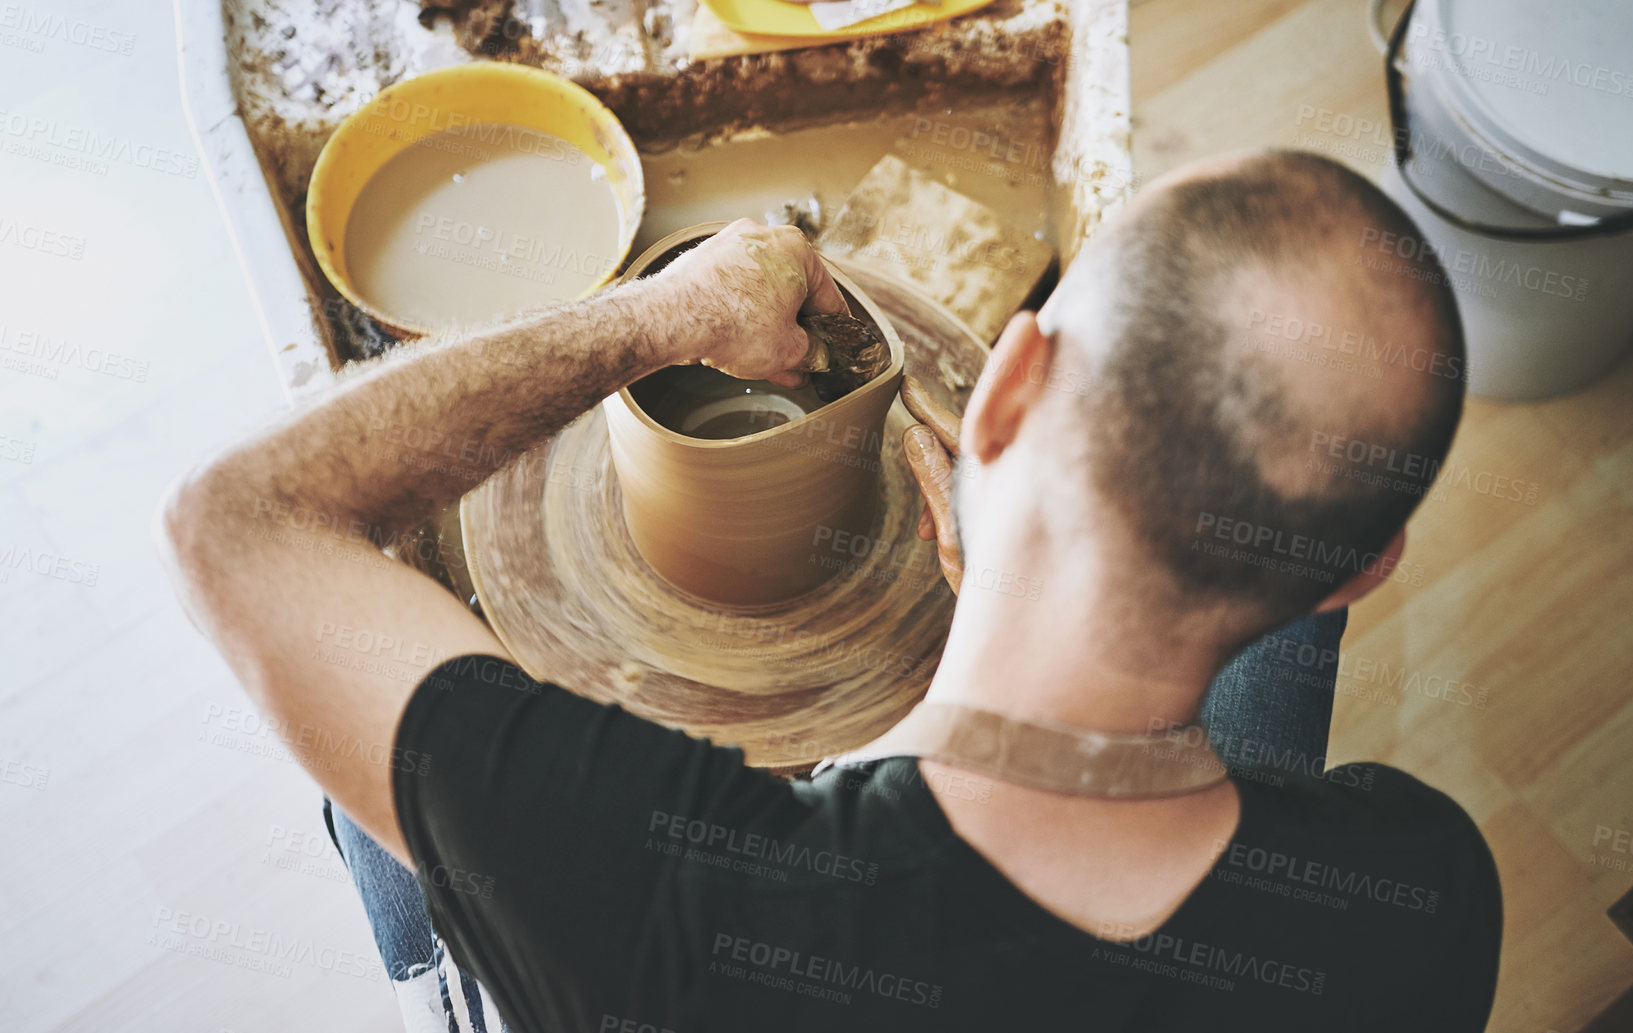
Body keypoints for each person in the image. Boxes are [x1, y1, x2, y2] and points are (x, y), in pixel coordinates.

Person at [159, 149, 1501, 1031]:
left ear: (1008, 388)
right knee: (1263, 654)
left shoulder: (665, 898)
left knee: (371, 826)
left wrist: (661, 320)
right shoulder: (1428, 883)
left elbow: (234, 524)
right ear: (1366, 575)